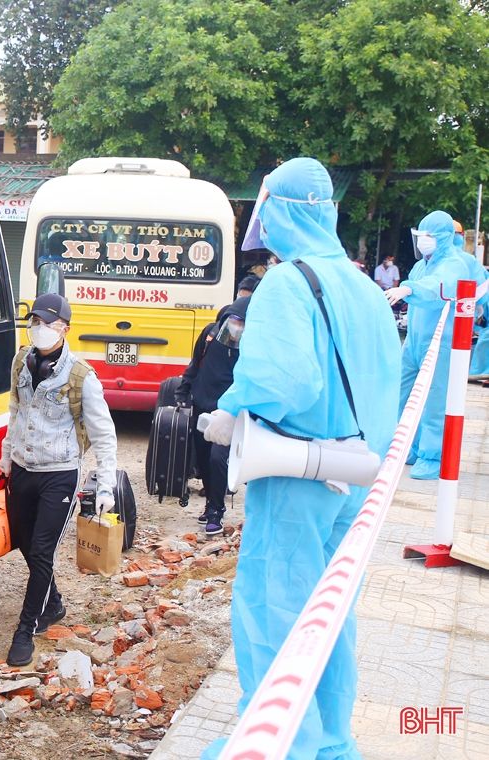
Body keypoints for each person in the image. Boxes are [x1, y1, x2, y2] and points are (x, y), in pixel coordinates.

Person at [200, 158, 399, 759]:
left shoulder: (289, 283)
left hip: (297, 474)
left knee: (277, 613)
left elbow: (284, 382)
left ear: (279, 210)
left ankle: (282, 743)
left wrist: (229, 411)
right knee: (330, 614)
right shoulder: (365, 287)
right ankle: (331, 741)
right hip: (357, 475)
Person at [0, 292, 118, 667]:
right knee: (22, 541)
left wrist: (106, 485)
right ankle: (53, 602)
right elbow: (15, 410)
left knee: (42, 550)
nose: (40, 329)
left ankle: (25, 629)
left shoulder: (81, 375)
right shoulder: (21, 360)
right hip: (21, 468)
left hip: (59, 475)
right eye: (35, 322)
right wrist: (5, 456)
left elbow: (104, 434)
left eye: (48, 324)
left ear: (65, 328)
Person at [385, 210, 475, 479]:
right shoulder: (421, 264)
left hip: (441, 345)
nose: (424, 240)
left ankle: (432, 455)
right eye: (421, 235)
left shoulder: (455, 263)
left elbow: (440, 285)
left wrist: (410, 289)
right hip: (413, 343)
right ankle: (407, 446)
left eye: (429, 236)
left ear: (445, 238)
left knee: (436, 402)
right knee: (403, 396)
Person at [174, 296, 250, 536]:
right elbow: (196, 363)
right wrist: (184, 389)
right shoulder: (210, 334)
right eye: (233, 321)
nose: (236, 327)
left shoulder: (252, 347)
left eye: (242, 323)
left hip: (229, 411)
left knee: (218, 458)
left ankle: (217, 510)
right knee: (204, 458)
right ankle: (210, 503)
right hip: (202, 404)